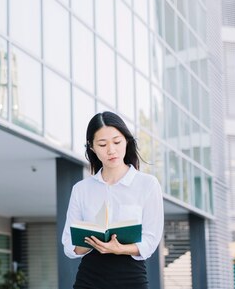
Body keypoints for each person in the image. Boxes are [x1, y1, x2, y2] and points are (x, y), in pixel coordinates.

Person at [61, 111, 164, 289]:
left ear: (126, 141)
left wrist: (119, 248)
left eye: (117, 142)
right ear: (92, 147)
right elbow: (69, 245)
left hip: (131, 277)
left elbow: (150, 240)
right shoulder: (81, 189)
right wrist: (92, 243)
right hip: (89, 278)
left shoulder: (147, 184)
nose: (111, 150)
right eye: (102, 144)